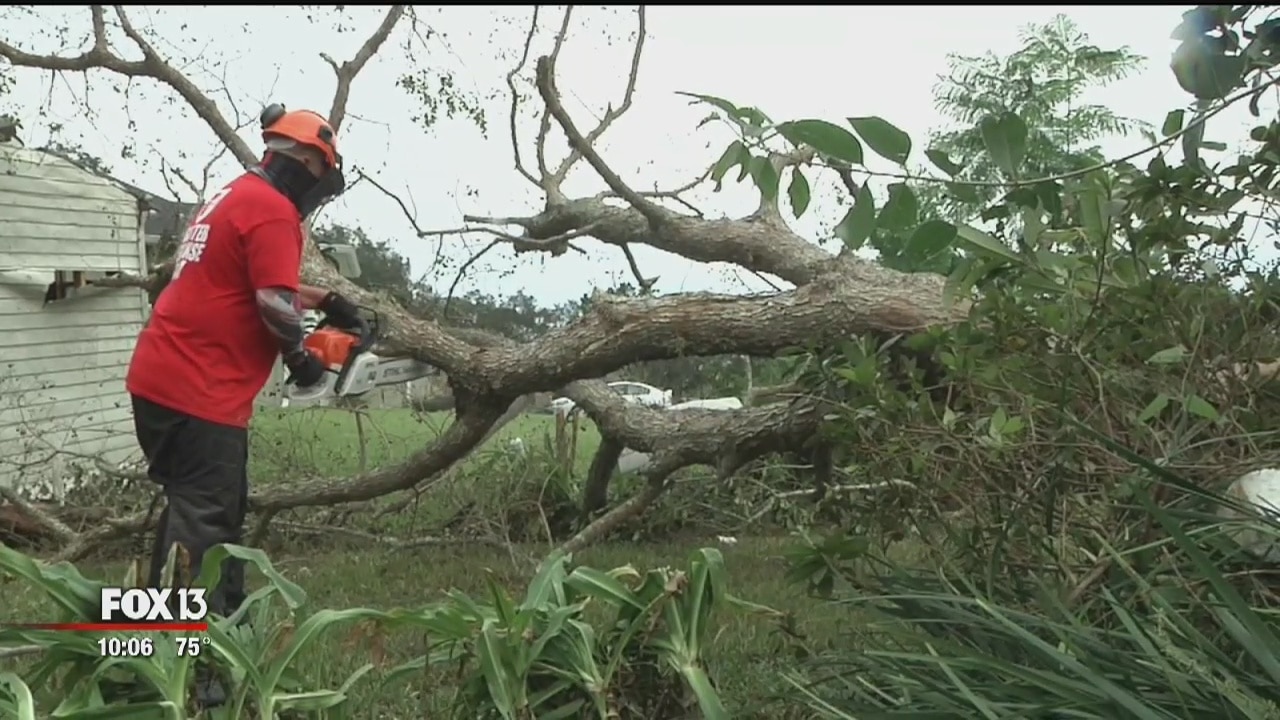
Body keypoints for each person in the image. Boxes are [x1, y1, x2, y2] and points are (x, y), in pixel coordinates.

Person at [124, 104, 361, 704]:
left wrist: (328, 297)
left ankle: (180, 640)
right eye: (319, 177)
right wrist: (305, 362)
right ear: (310, 162)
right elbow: (275, 306)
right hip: (199, 390)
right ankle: (190, 681)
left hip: (164, 378)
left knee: (206, 518)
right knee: (202, 531)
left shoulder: (234, 195)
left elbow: (242, 280)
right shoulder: (274, 211)